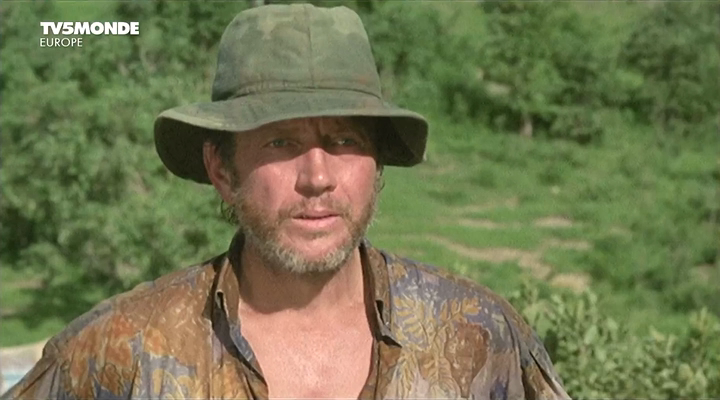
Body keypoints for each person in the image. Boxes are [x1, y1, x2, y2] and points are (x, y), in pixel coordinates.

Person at [3, 4, 571, 399]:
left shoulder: (476, 335)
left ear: (376, 165)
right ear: (222, 169)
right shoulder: (123, 350)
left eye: (343, 140)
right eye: (280, 142)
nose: (317, 177)